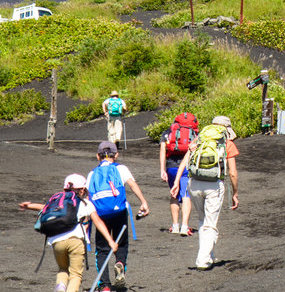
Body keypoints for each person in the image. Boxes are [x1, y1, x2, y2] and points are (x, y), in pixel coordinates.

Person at [18, 173, 117, 292]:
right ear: (81, 190)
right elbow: (98, 222)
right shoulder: (85, 203)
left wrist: (29, 206)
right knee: (75, 274)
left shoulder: (58, 203)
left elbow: (44, 207)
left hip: (56, 241)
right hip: (76, 241)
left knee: (62, 269)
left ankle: (60, 287)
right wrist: (111, 241)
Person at [84, 140, 151, 289]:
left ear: (98, 156)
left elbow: (88, 198)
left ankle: (105, 286)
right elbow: (132, 184)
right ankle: (120, 263)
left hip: (100, 214)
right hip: (119, 211)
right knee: (122, 243)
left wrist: (86, 220)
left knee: (101, 250)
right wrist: (143, 201)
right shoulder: (121, 168)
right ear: (116, 155)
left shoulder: (92, 174)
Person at [181, 115, 240, 270]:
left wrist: (176, 182)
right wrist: (235, 193)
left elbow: (187, 159)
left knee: (203, 220)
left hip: (193, 183)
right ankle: (202, 260)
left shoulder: (199, 139)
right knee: (210, 224)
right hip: (214, 185)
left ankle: (210, 255)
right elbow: (233, 173)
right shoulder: (227, 143)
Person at [158, 110, 200, 235]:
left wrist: (162, 169)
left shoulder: (168, 132)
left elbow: (162, 149)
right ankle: (185, 226)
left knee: (174, 194)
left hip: (171, 166)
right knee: (186, 194)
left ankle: (175, 225)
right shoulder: (195, 133)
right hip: (187, 166)